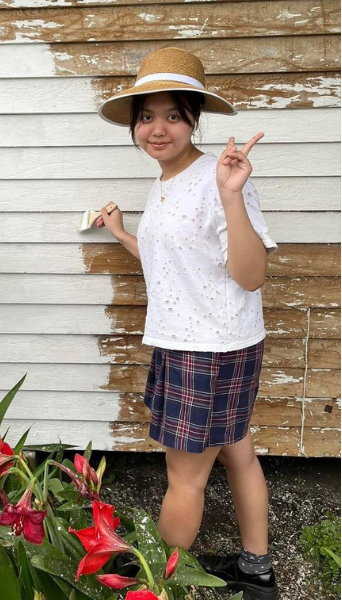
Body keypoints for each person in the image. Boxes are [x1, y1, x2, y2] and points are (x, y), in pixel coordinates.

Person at [95, 47, 278, 599]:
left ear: (194, 118)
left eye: (173, 115)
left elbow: (251, 274)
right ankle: (256, 570)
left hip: (206, 348)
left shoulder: (217, 178)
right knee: (238, 453)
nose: (158, 128)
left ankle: (157, 582)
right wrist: (123, 233)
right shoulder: (167, 180)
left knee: (185, 478)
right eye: (146, 116)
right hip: (209, 342)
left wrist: (230, 194)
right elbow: (173, 256)